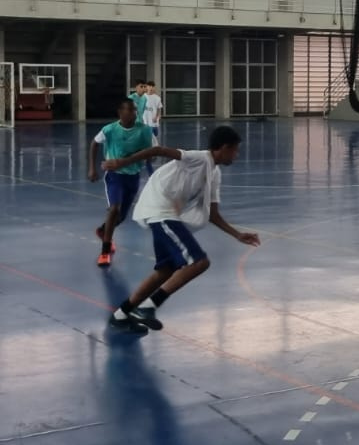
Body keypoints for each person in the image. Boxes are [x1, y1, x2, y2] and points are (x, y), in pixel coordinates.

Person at [103, 126, 260, 334]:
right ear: (224, 148)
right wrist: (122, 163)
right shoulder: (198, 158)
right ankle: (148, 307)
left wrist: (237, 234)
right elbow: (158, 151)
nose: (237, 155)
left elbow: (212, 214)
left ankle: (121, 315)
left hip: (166, 214)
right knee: (199, 262)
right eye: (235, 150)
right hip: (159, 208)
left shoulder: (214, 173)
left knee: (165, 271)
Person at [87, 97, 156, 267]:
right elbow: (94, 144)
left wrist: (150, 168)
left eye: (135, 110)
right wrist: (92, 168)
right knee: (114, 210)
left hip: (133, 177)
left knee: (121, 217)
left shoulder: (145, 131)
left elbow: (152, 153)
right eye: (130, 109)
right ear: (120, 112)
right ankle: (105, 251)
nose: (133, 113)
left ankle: (103, 230)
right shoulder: (110, 130)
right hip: (114, 175)